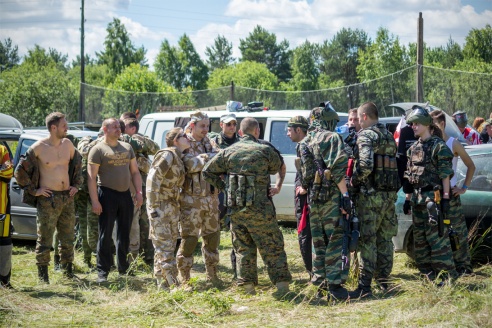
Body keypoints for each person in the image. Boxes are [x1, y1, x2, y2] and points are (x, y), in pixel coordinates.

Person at [203, 117, 292, 295]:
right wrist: (278, 187)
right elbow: (280, 167)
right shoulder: (265, 150)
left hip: (237, 209)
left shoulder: (228, 152)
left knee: (243, 248)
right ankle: (282, 285)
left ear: (240, 132)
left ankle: (247, 286)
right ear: (257, 131)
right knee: (272, 245)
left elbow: (207, 171)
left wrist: (225, 188)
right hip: (262, 209)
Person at [14, 112, 83, 283]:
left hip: (67, 197)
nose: (67, 128)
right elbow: (19, 171)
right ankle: (43, 277)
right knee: (45, 238)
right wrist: (34, 190)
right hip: (48, 199)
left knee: (68, 237)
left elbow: (78, 163)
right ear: (53, 128)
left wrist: (76, 185)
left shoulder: (68, 144)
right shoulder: (38, 147)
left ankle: (67, 272)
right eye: (64, 125)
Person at [300, 103, 352, 301]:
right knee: (335, 240)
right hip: (331, 197)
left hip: (314, 198)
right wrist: (345, 196)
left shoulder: (305, 141)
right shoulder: (331, 137)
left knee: (318, 241)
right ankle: (335, 287)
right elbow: (338, 169)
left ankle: (319, 283)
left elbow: (305, 175)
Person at [349, 102, 400, 298]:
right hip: (388, 195)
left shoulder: (366, 135)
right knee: (385, 240)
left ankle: (365, 286)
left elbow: (367, 165)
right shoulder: (388, 134)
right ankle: (384, 281)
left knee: (369, 240)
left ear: (364, 117)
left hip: (370, 197)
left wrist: (353, 181)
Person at [402, 107, 458, 284]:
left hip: (434, 201)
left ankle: (447, 279)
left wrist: (446, 198)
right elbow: (410, 177)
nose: (413, 126)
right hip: (417, 202)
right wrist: (408, 198)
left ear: (427, 124)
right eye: (412, 124)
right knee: (420, 243)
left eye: (417, 123)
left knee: (438, 242)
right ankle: (428, 277)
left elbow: (445, 176)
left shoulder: (438, 147)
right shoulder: (413, 149)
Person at [87, 118, 143, 283]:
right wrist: (95, 201)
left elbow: (135, 172)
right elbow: (91, 178)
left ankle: (123, 269)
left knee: (124, 234)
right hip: (106, 194)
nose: (119, 129)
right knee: (105, 234)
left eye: (119, 127)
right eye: (115, 127)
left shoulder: (127, 147)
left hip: (125, 194)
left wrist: (139, 192)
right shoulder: (97, 149)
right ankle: (102, 272)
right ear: (105, 129)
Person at [177, 111, 221, 286]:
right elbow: (189, 165)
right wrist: (206, 158)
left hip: (211, 199)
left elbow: (220, 158)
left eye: (207, 126)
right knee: (189, 240)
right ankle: (185, 277)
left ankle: (212, 275)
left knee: (212, 238)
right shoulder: (184, 142)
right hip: (191, 200)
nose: (206, 129)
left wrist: (202, 158)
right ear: (193, 126)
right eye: (202, 126)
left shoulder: (209, 142)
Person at [430, 110, 475, 275]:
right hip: (435, 197)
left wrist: (464, 187)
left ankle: (464, 267)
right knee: (439, 233)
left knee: (458, 233)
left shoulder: (452, 143)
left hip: (452, 197)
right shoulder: (430, 143)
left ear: (442, 124)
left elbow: (471, 166)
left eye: (433, 124)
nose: (431, 128)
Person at [146, 128, 190, 290]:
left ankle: (162, 284)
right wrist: (153, 209)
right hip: (160, 206)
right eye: (184, 136)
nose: (188, 137)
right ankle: (173, 284)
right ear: (175, 140)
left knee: (167, 245)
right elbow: (152, 180)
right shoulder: (168, 155)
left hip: (171, 206)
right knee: (165, 246)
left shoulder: (178, 156)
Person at [123, 118, 160, 264]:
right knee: (130, 222)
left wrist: (134, 141)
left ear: (132, 128)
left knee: (145, 221)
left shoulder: (139, 140)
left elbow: (155, 148)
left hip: (143, 185)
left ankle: (148, 256)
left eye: (123, 126)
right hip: (126, 185)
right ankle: (130, 255)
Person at [287, 115, 312, 278]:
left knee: (305, 234)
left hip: (306, 200)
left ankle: (312, 273)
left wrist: (304, 186)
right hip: (310, 198)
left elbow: (307, 172)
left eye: (290, 130)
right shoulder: (310, 142)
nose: (288, 134)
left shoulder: (304, 145)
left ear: (298, 130)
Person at [0, 144, 14, 288]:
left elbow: (9, 171)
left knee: (4, 242)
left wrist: (3, 170)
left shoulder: (1, 149)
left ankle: (4, 280)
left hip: (2, 208)